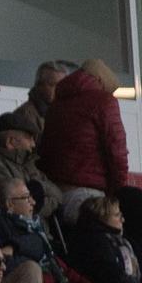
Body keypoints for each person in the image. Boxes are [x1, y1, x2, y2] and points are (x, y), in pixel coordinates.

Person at [40, 59, 129, 198]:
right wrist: (119, 190)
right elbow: (116, 149)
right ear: (101, 82)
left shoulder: (57, 103)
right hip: (89, 191)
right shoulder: (104, 101)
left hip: (55, 191)